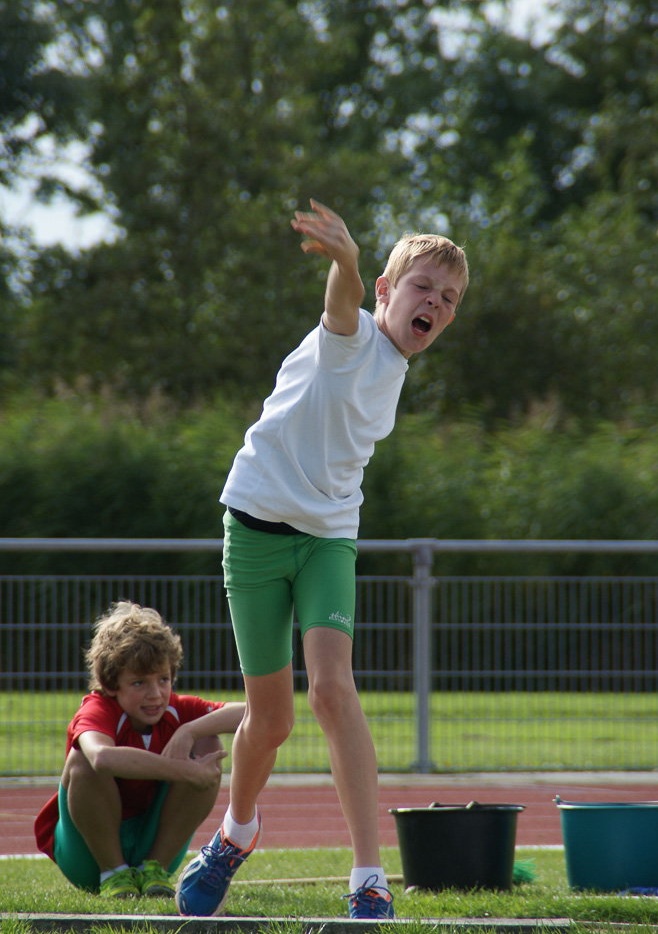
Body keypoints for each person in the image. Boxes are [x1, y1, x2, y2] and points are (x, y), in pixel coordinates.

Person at [176, 199, 469, 920]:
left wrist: (356, 267)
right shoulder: (352, 337)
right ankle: (237, 833)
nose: (433, 302)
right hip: (254, 529)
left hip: (330, 536)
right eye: (421, 286)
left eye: (448, 298)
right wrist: (345, 260)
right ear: (384, 293)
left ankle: (368, 875)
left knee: (332, 691)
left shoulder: (395, 367)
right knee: (269, 721)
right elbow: (339, 307)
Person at [34, 600, 245, 899]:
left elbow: (254, 714)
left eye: (163, 679)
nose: (155, 694)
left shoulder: (175, 710)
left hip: (150, 844)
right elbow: (101, 757)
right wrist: (183, 770)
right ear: (110, 683)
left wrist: (190, 729)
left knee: (209, 740)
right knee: (81, 761)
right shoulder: (98, 708)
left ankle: (153, 869)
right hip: (88, 855)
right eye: (138, 682)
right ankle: (114, 872)